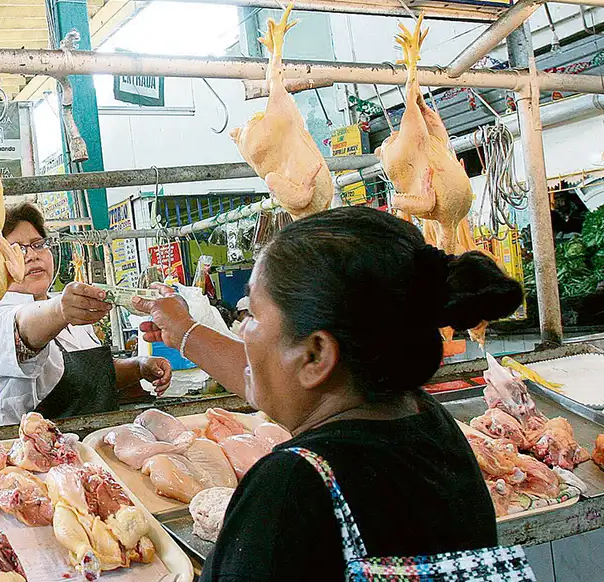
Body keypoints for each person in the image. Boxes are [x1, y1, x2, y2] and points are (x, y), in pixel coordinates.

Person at [134, 207, 524, 580]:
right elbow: (275, 378)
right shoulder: (427, 422)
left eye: (250, 314)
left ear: (317, 354)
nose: (242, 329)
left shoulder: (292, 486)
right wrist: (184, 332)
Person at [0, 202, 172, 427]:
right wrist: (61, 310)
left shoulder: (71, 313)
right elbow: (24, 327)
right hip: (34, 453)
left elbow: (88, 378)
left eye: (38, 244)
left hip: (91, 446)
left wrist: (139, 367)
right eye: (16, 249)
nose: (32, 256)